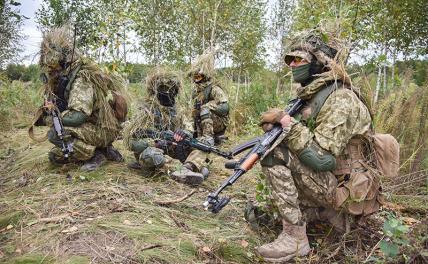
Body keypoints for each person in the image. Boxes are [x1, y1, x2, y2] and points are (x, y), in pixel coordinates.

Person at [256, 29, 383, 262]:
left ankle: (295, 238)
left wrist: (287, 124)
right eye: (289, 60)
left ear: (317, 64)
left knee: (276, 155)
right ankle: (322, 214)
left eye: (298, 59)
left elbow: (322, 159)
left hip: (346, 188)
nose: (292, 65)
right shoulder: (311, 95)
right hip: (333, 181)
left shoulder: (340, 98)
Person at [30, 26, 127, 171]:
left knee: (55, 133)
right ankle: (104, 150)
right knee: (55, 157)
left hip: (104, 130)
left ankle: (95, 155)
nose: (51, 70)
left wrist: (49, 119)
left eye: (53, 66)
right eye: (49, 67)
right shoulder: (63, 79)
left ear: (63, 61)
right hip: (94, 127)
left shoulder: (81, 79)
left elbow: (77, 118)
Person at [123, 67, 208, 185]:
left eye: (172, 92)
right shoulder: (147, 112)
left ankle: (189, 166)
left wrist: (184, 133)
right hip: (156, 153)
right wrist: (155, 143)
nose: (169, 96)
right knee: (150, 154)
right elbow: (131, 143)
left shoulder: (178, 111)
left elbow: (189, 128)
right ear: (157, 92)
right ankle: (181, 170)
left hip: (175, 150)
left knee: (203, 144)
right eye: (165, 92)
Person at [171, 49, 229, 182]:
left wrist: (208, 106)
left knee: (203, 110)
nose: (196, 80)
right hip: (200, 126)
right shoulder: (196, 93)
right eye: (194, 77)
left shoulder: (214, 89)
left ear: (205, 76)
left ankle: (207, 139)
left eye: (199, 77)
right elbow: (192, 114)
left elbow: (225, 107)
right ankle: (200, 167)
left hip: (217, 123)